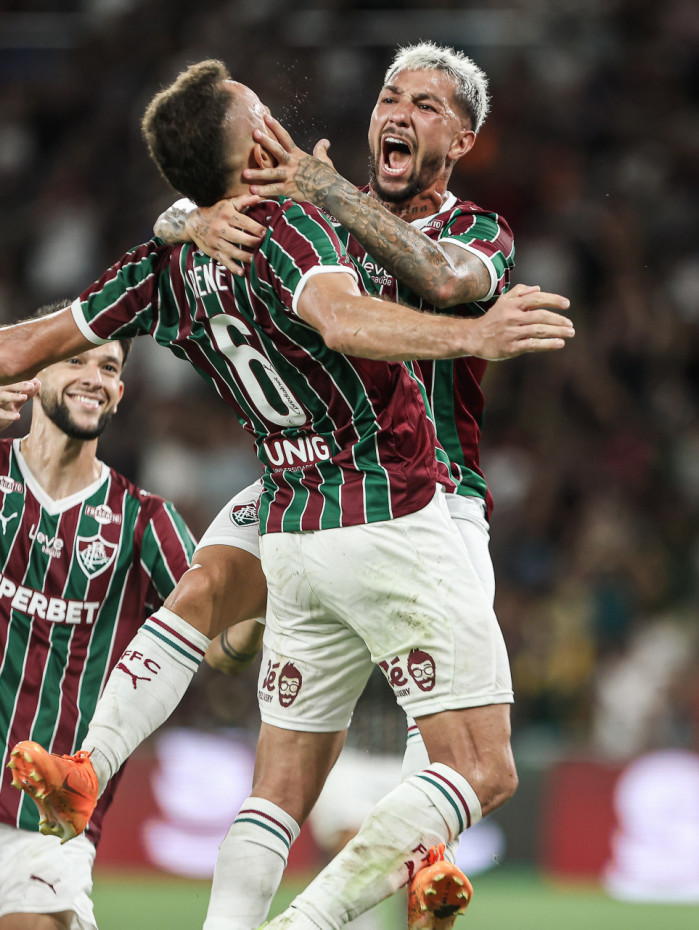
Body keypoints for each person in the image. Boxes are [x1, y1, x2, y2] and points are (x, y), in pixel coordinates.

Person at [1, 59, 574, 930]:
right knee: (214, 597)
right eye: (388, 96)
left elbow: (443, 281)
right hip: (322, 490)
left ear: (460, 142)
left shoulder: (469, 230)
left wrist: (285, 197)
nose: (399, 112)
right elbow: (265, 247)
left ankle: (421, 862)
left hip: (434, 497)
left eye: (426, 105)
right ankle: (90, 767)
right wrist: (193, 215)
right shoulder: (282, 218)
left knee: (429, 755)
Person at [0, 305, 196, 930]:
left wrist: (260, 585)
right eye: (76, 359)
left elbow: (230, 645)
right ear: (30, 371)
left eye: (109, 367)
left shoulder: (145, 521)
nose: (95, 376)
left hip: (42, 819)